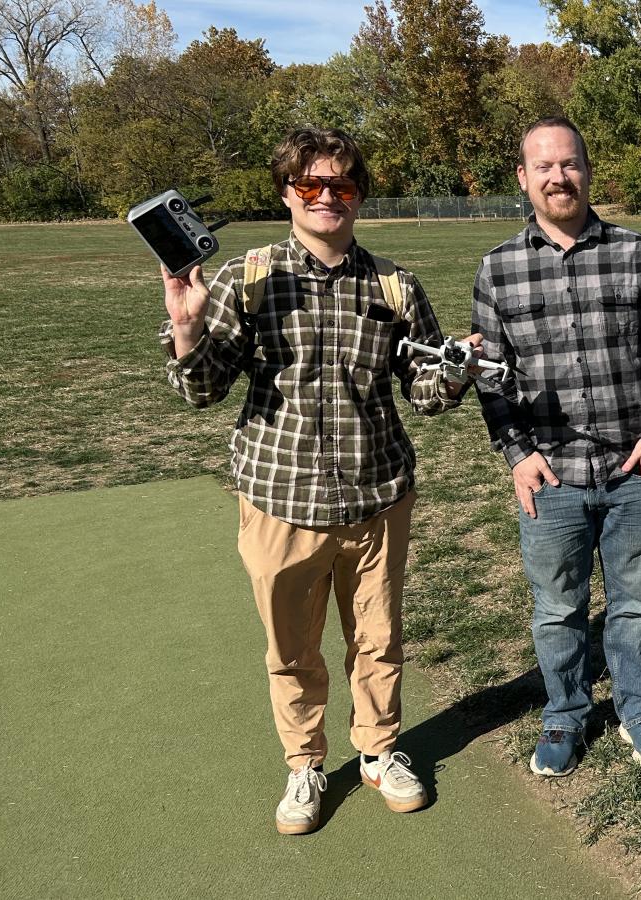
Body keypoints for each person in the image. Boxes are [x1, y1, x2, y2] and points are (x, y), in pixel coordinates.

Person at [160, 127, 475, 835]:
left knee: (379, 637)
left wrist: (454, 369)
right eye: (311, 185)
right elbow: (203, 390)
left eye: (342, 185)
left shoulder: (394, 285)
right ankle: (304, 762)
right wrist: (185, 329)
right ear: (287, 194)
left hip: (376, 495)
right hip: (280, 498)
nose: (327, 197)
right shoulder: (250, 276)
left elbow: (421, 392)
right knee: (292, 649)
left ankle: (379, 749)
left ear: (359, 196)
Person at [472, 116, 641, 777]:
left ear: (588, 170)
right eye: (543, 166)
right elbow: (490, 376)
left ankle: (640, 705)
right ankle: (565, 714)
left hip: (631, 469)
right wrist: (516, 453)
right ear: (523, 178)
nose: (557, 176)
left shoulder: (637, 254)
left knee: (634, 601)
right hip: (552, 478)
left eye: (569, 164)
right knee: (559, 607)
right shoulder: (498, 270)